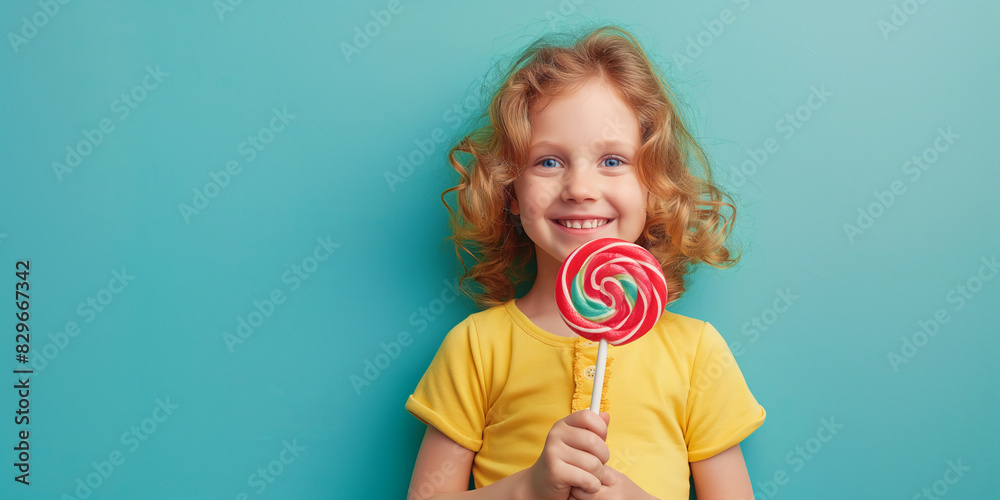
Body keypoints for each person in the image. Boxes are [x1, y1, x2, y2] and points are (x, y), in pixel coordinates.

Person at [405, 24, 765, 500]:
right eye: (548, 162)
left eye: (613, 161)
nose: (578, 188)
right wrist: (529, 488)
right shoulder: (476, 348)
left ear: (652, 185)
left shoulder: (696, 354)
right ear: (510, 190)